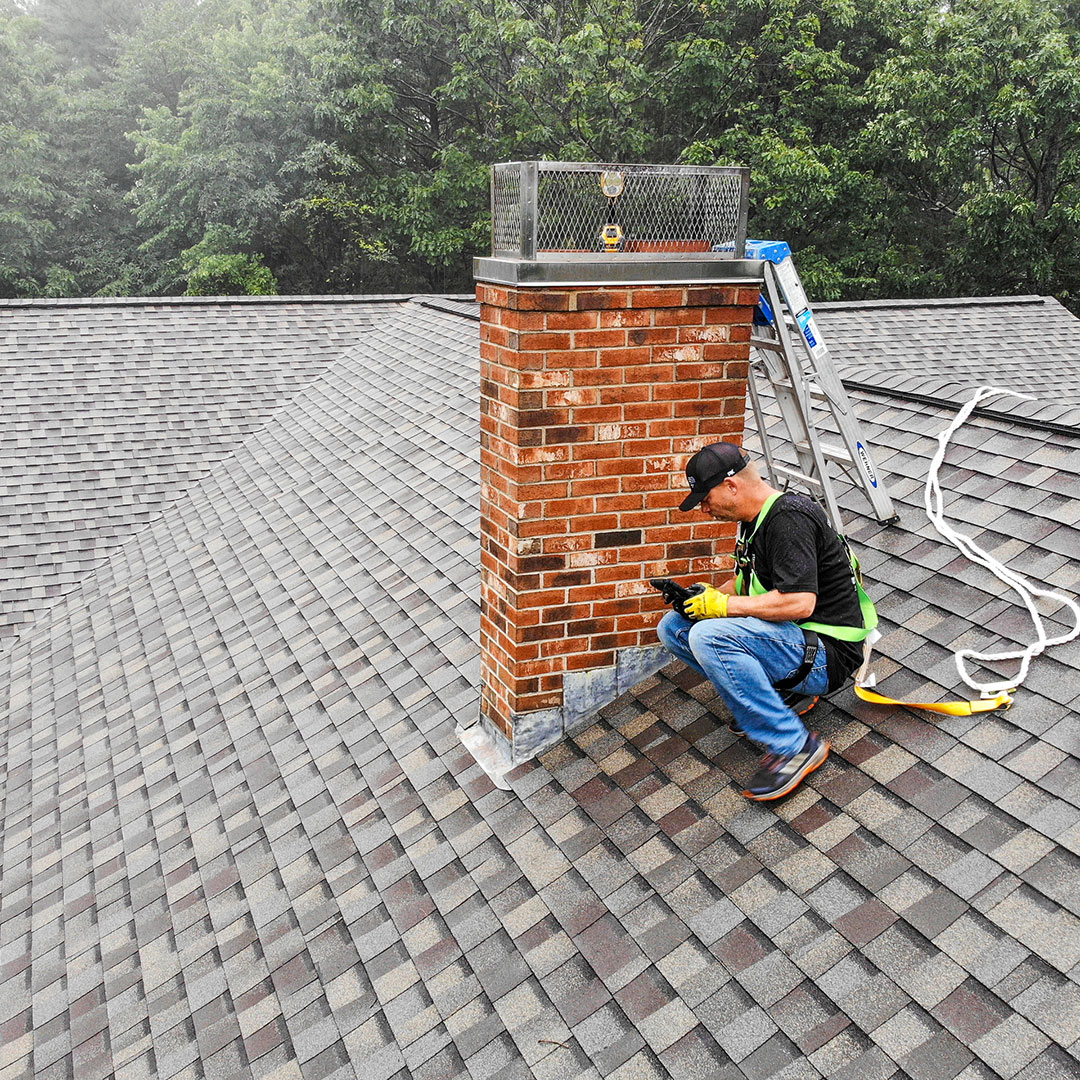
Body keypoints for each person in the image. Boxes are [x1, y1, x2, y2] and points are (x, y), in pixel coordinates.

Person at [657, 441, 871, 801]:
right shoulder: (752, 524)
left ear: (731, 485)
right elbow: (744, 587)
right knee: (674, 628)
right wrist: (702, 598)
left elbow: (800, 603)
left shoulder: (789, 519)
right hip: (793, 643)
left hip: (827, 654)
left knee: (711, 636)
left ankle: (794, 744)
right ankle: (782, 695)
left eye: (705, 499)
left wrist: (722, 608)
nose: (704, 509)